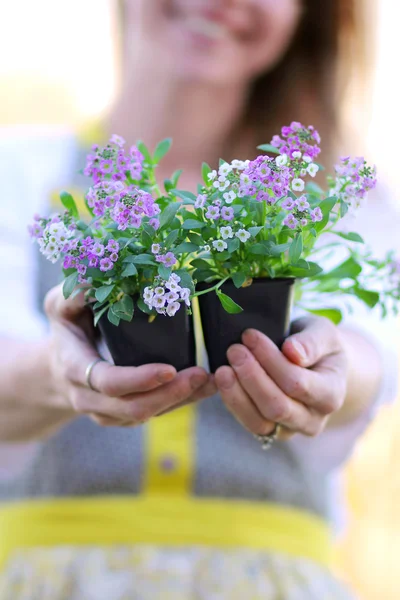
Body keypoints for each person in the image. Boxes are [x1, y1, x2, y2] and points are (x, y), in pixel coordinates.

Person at [0, 0, 398, 598]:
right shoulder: (19, 172)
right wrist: (63, 375)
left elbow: (371, 355)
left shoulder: (325, 200)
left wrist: (328, 369)